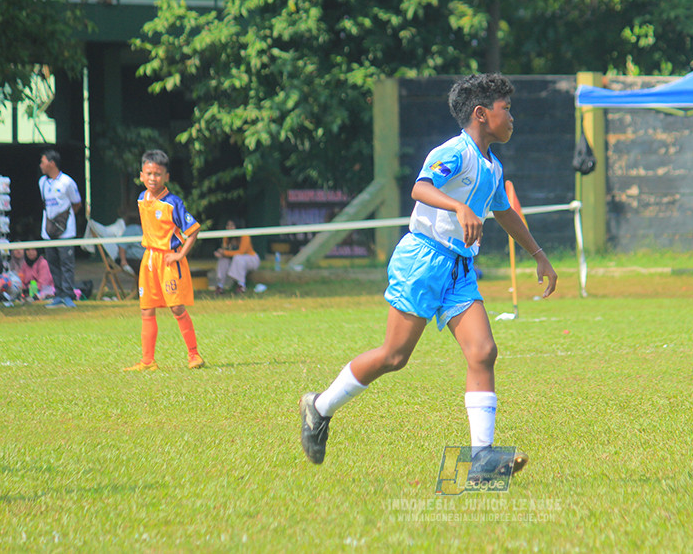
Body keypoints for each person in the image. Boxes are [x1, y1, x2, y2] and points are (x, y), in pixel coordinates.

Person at [298, 73, 558, 476]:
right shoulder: (453, 152)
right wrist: (459, 208)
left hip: (459, 270)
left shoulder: (492, 165)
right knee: (394, 356)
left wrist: (538, 254)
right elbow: (421, 188)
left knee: (483, 352)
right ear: (481, 114)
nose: (512, 117)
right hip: (423, 259)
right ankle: (319, 408)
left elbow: (504, 212)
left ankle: (482, 457)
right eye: (506, 109)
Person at [123, 150, 206, 371]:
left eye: (158, 174)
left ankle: (194, 355)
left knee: (176, 307)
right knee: (146, 309)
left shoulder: (173, 203)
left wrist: (180, 254)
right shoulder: (142, 198)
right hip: (148, 259)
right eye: (149, 173)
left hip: (169, 261)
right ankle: (148, 361)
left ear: (166, 177)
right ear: (142, 175)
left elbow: (193, 230)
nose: (153, 178)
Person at [38, 149, 82, 308]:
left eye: (43, 162)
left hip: (66, 231)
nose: (41, 165)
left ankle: (68, 295)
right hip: (48, 231)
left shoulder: (67, 182)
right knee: (53, 263)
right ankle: (58, 294)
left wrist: (64, 219)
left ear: (52, 163)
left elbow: (77, 203)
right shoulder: (42, 182)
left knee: (66, 263)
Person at [214, 219, 260, 294]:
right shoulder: (226, 237)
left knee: (238, 258)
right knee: (223, 260)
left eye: (232, 226)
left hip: (250, 259)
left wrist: (224, 252)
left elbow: (241, 252)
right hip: (234, 259)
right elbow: (226, 250)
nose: (229, 227)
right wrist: (221, 253)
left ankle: (241, 285)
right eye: (228, 225)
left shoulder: (244, 236)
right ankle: (220, 286)